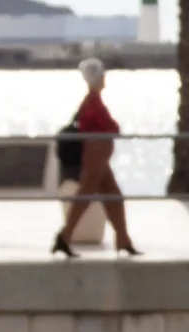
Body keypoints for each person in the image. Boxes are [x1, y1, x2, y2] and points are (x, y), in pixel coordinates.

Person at [53, 58, 138, 258]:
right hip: (96, 153)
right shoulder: (92, 102)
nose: (104, 79)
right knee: (87, 192)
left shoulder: (93, 101)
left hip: (99, 154)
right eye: (101, 75)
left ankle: (123, 239)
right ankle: (65, 236)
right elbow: (104, 127)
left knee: (113, 194)